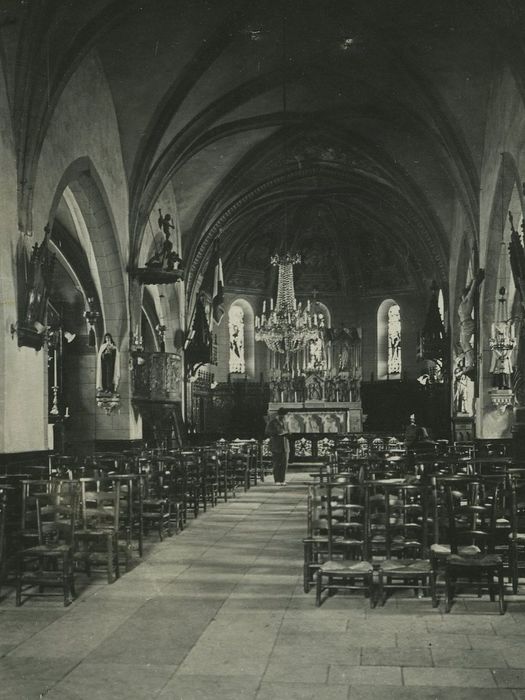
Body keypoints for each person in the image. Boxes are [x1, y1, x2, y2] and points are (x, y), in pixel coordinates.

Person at [265, 407, 289, 485]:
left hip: (285, 445)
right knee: (276, 463)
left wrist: (288, 433)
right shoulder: (273, 422)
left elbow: (288, 430)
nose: (285, 417)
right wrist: (277, 433)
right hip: (276, 444)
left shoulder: (285, 422)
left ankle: (283, 480)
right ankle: (277, 480)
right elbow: (267, 432)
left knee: (284, 464)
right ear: (280, 415)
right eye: (284, 415)